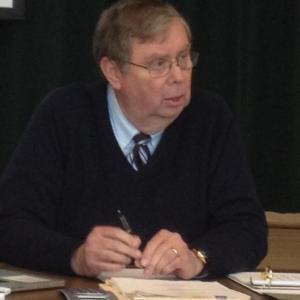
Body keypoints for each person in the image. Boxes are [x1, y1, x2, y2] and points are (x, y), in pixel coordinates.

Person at [0, 0, 267, 280]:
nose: (178, 76)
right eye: (159, 64)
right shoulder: (65, 114)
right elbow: (9, 225)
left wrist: (198, 257)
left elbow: (248, 227)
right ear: (114, 72)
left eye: (184, 57)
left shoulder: (210, 118)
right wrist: (76, 255)